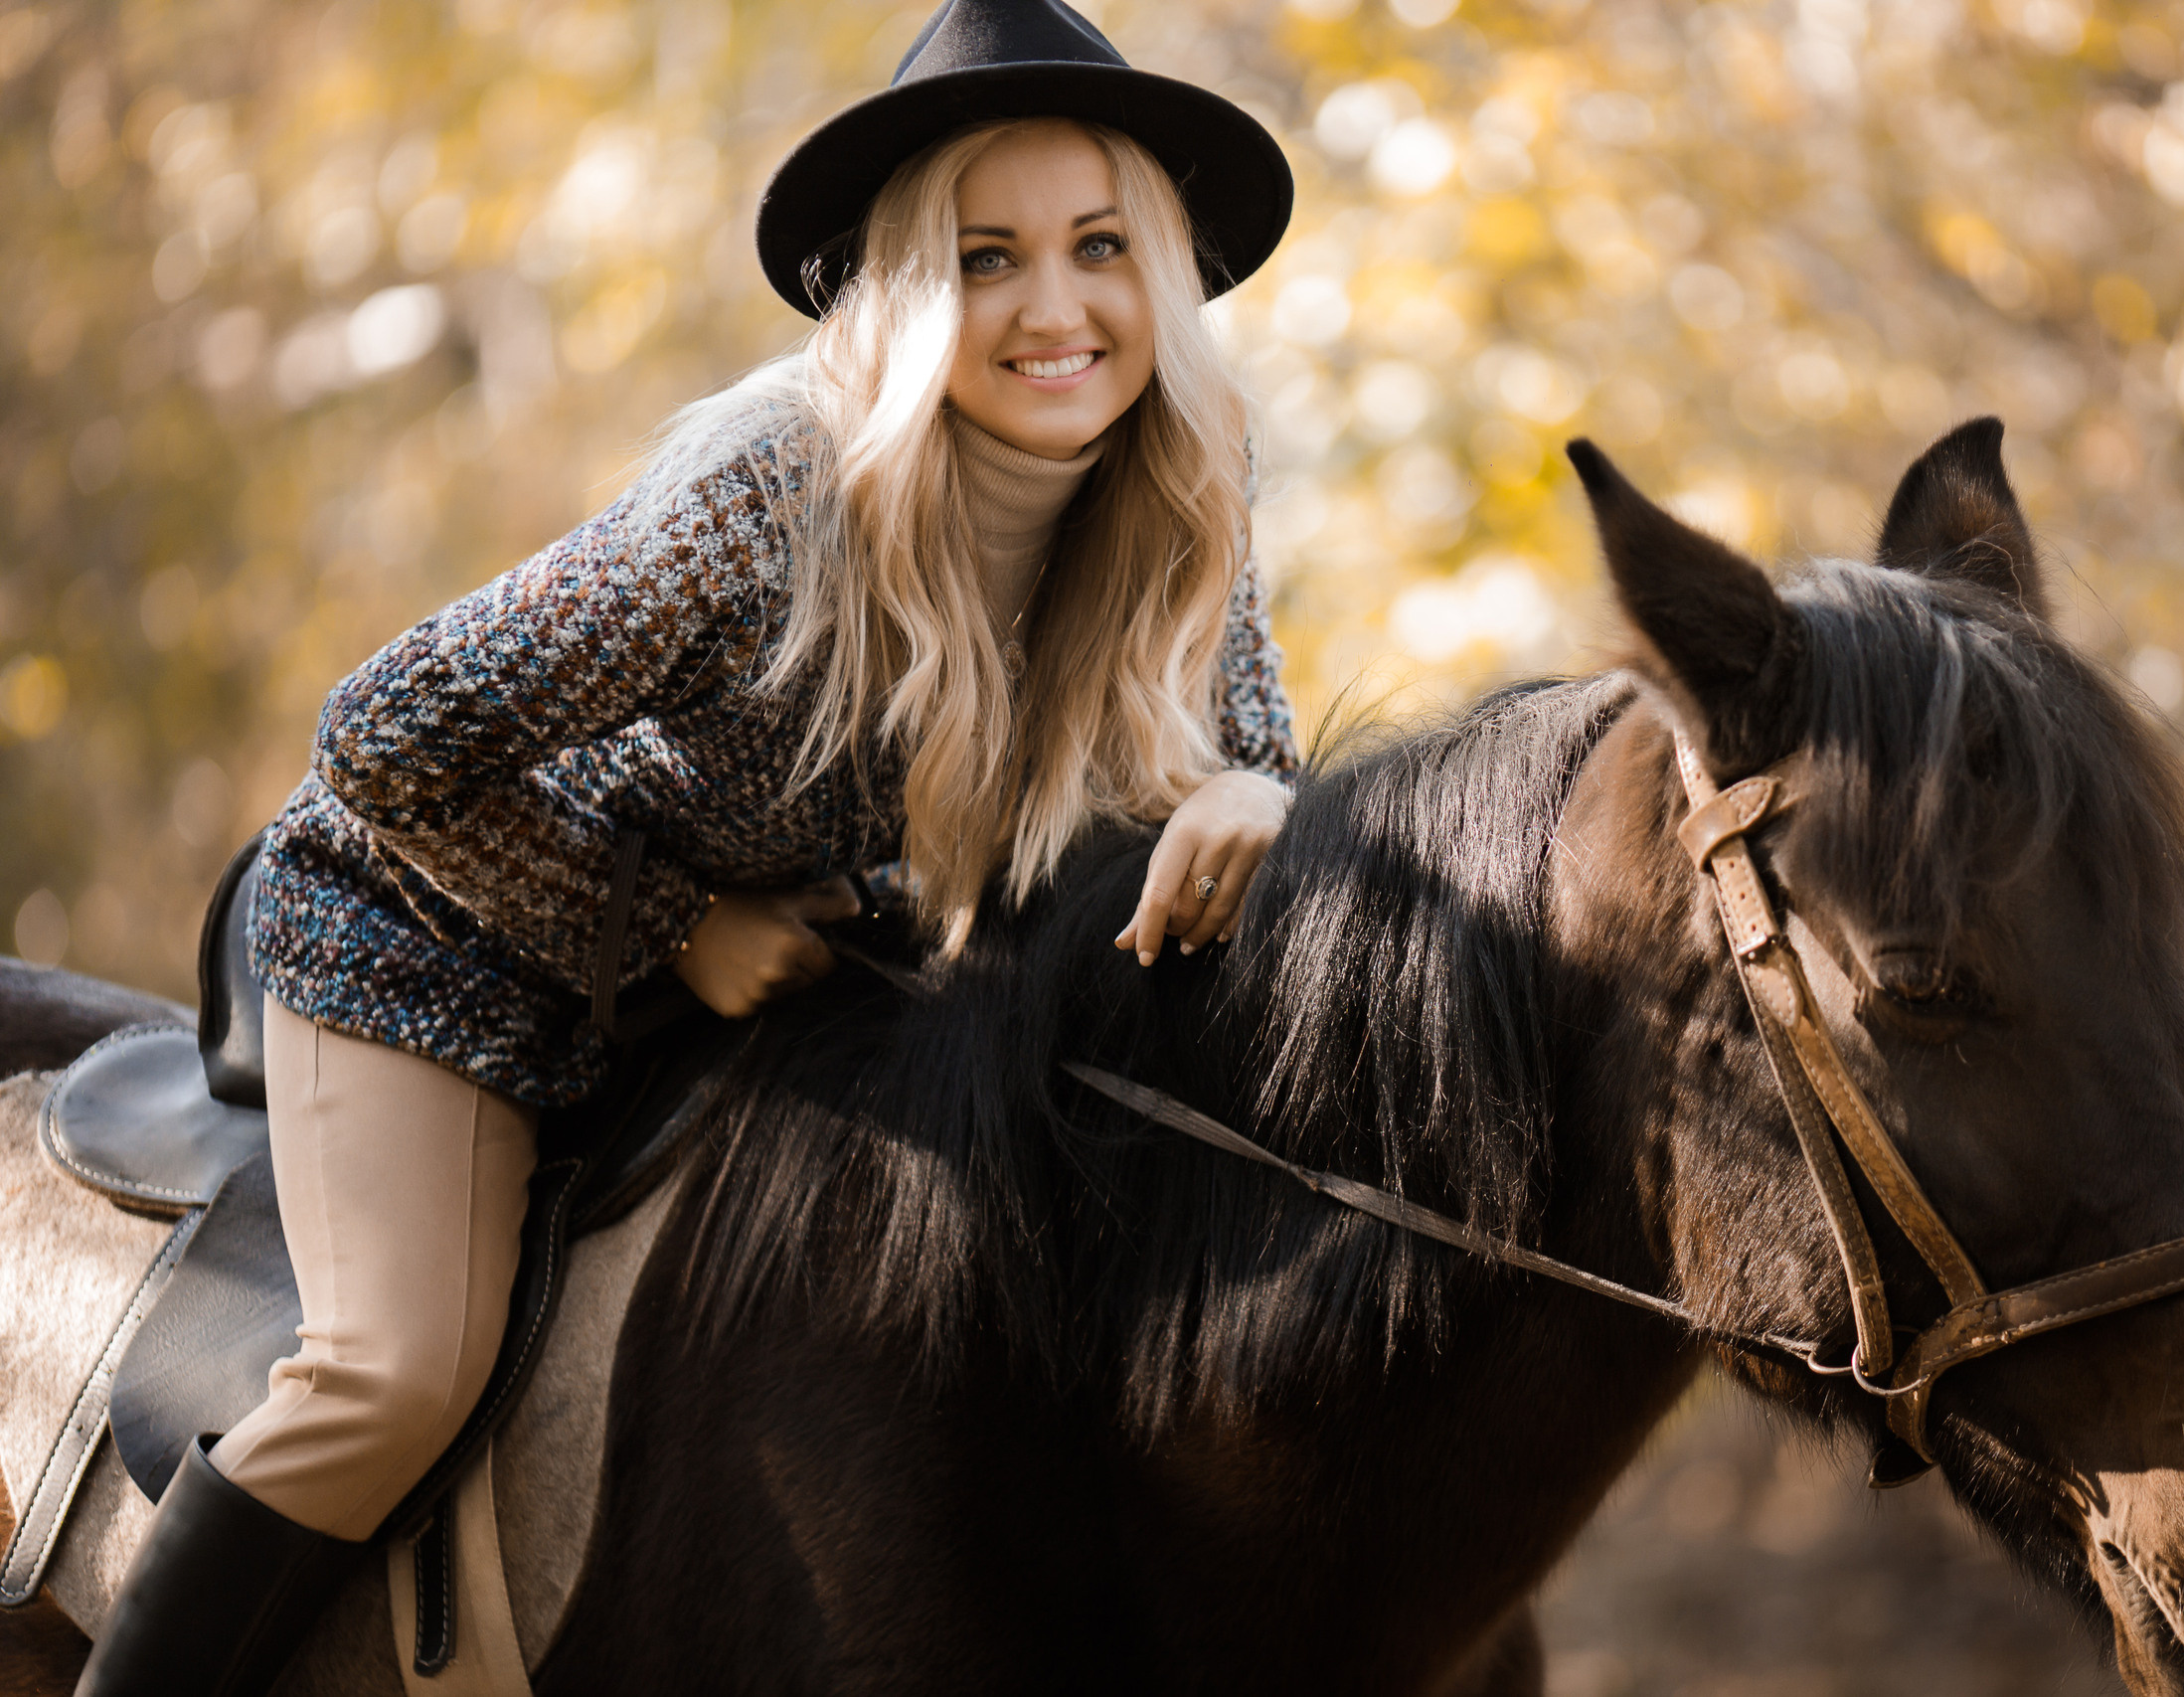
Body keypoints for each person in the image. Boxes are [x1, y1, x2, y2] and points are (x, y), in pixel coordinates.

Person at [74, 3, 1299, 1692]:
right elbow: (380, 739)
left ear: (1160, 268)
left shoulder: (1191, 472)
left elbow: (1245, 771)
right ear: (906, 287)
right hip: (442, 926)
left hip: (791, 953)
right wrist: (668, 926)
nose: (1056, 307)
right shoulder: (767, 497)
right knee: (392, 1374)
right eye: (986, 254)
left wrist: (1260, 802)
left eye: (1099, 247)